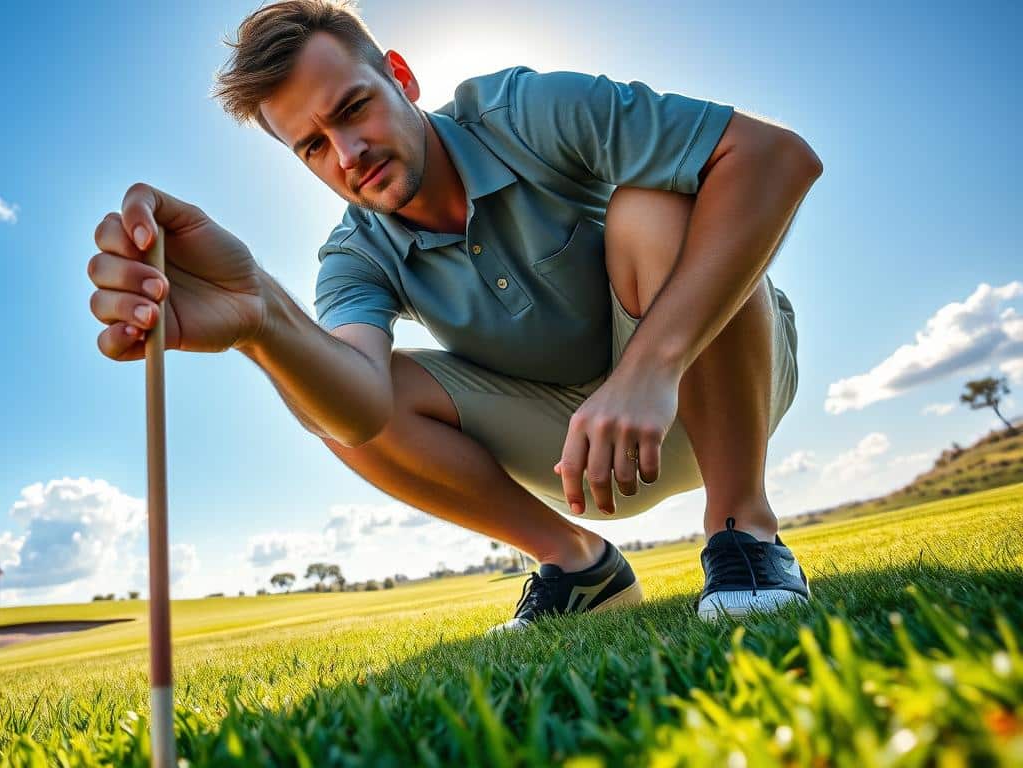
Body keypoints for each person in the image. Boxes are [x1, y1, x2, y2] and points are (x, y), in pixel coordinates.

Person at [87, 0, 822, 629]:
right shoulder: (353, 256)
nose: (349, 153)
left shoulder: (527, 110)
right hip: (580, 456)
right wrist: (260, 322)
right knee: (328, 393)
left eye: (353, 108)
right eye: (313, 145)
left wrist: (648, 369)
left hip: (716, 377)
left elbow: (775, 157)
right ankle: (581, 569)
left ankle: (744, 532)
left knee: (657, 202)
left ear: (401, 77)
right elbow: (361, 407)